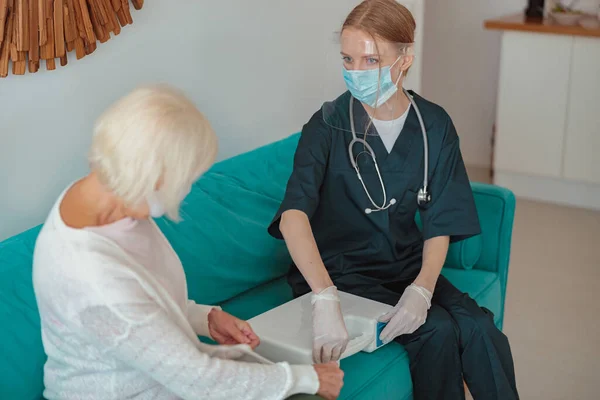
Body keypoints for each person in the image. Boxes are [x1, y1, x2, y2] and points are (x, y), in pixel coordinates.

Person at [268, 1, 519, 399]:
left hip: (403, 265)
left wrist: (421, 288)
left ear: (405, 59)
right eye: (348, 59)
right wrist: (324, 295)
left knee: (478, 327)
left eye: (371, 59)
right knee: (435, 331)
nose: (356, 72)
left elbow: (443, 218)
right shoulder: (328, 123)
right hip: (340, 271)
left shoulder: (433, 125)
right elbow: (292, 216)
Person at [32, 85, 343, 400]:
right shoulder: (95, 282)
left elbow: (146, 296)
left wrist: (204, 318)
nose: (184, 192)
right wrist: (307, 378)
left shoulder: (103, 196)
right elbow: (198, 380)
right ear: (150, 177)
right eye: (185, 181)